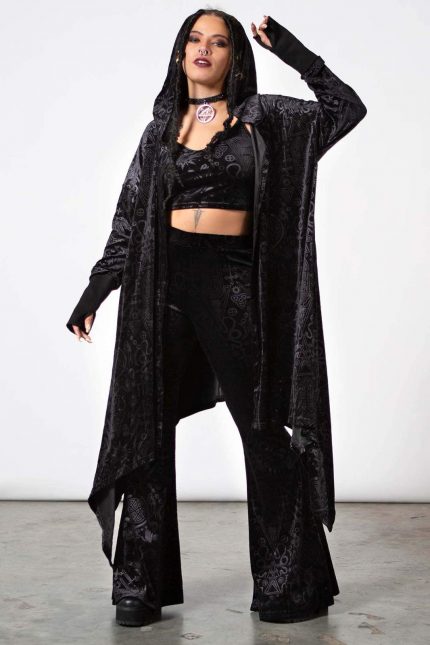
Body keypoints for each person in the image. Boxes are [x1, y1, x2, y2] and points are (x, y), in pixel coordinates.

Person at [66, 9, 366, 627]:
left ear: (235, 57)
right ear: (180, 54)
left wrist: (292, 50)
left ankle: (288, 581)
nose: (204, 49)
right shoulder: (160, 131)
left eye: (219, 41)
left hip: (233, 280)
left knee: (262, 428)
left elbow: (346, 108)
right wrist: (97, 289)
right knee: (147, 430)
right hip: (163, 283)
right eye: (195, 39)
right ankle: (139, 585)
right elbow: (131, 218)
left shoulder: (267, 119)